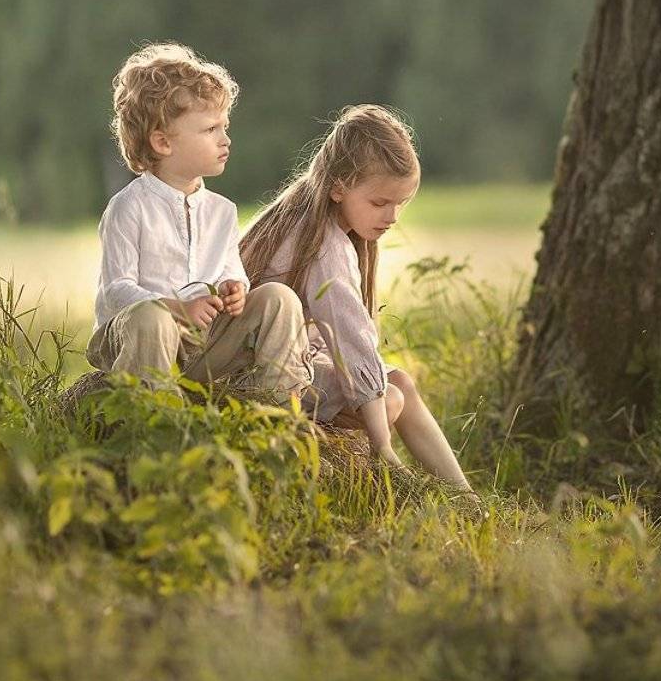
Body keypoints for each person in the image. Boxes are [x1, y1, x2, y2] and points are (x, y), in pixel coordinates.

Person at [240, 104, 478, 498]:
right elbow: (352, 343)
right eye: (380, 203)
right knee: (391, 399)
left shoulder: (303, 215)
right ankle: (412, 487)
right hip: (265, 375)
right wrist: (384, 446)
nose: (393, 216)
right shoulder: (325, 246)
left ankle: (464, 498)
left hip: (285, 363)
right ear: (338, 188)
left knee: (398, 384)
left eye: (401, 203)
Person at [86, 42, 312, 404]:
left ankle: (277, 410)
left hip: (202, 344)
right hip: (137, 338)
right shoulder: (128, 207)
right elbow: (117, 291)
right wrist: (177, 307)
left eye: (224, 126)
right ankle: (159, 420)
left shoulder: (222, 211)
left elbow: (230, 270)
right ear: (163, 142)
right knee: (152, 319)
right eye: (210, 129)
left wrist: (233, 288)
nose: (225, 139)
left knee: (278, 298)